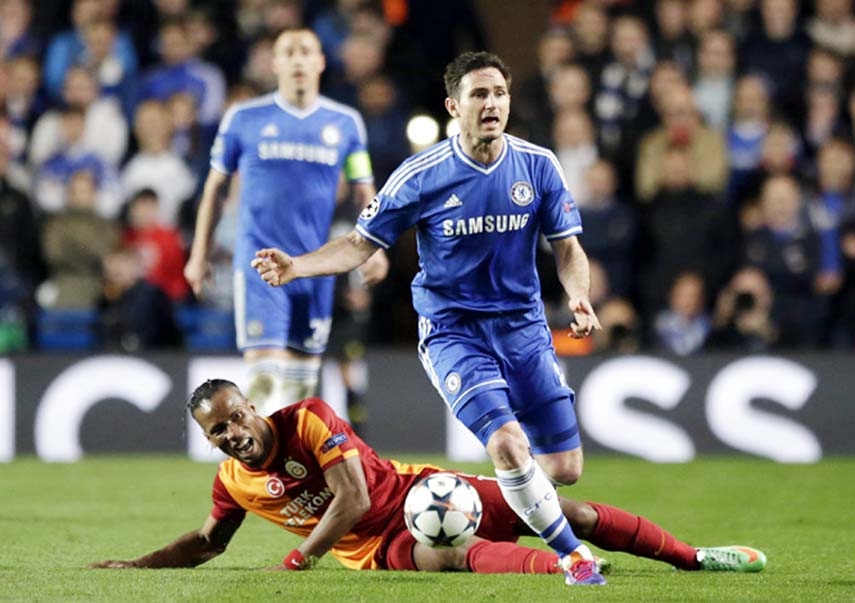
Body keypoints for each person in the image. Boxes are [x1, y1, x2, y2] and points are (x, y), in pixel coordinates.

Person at [252, 50, 609, 586]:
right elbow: (357, 243)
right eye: (479, 95)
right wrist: (296, 267)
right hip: (453, 331)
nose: (492, 104)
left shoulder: (538, 164)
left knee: (563, 470)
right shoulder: (422, 176)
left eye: (500, 94)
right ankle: (573, 557)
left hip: (524, 329)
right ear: (453, 106)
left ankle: (462, 493)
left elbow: (567, 248)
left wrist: (578, 296)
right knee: (508, 444)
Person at [89, 379, 767, 577]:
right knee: (449, 556)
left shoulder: (308, 418)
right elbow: (209, 541)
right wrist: (137, 563)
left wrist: (299, 556)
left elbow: (352, 494)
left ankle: (692, 556)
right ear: (211, 438)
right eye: (219, 430)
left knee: (574, 512)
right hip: (378, 547)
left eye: (236, 414)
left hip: (420, 492)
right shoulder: (232, 482)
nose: (234, 430)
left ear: (251, 406)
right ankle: (569, 573)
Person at [183, 28, 388, 416]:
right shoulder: (244, 118)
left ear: (320, 62)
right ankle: (256, 473)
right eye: (288, 52)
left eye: (306, 51)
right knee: (263, 379)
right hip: (259, 265)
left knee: (301, 386)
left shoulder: (345, 124)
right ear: (275, 64)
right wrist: (199, 254)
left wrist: (373, 250)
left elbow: (366, 192)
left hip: (315, 268)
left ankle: (290, 473)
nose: (297, 59)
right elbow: (214, 188)